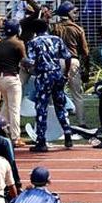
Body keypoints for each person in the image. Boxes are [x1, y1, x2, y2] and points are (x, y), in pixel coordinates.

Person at [22, 17, 75, 152]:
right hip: (57, 73)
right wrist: (66, 73)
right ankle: (67, 133)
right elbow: (68, 57)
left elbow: (31, 61)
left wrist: (24, 63)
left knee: (41, 107)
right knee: (60, 105)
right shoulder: (57, 39)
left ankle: (41, 140)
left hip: (43, 76)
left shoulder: (33, 42)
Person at [52, 2, 90, 127]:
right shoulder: (78, 29)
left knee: (57, 93)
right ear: (68, 14)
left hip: (58, 61)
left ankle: (59, 122)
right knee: (77, 94)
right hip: (73, 61)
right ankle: (82, 122)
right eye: (74, 12)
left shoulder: (55, 28)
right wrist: (86, 70)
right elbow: (85, 52)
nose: (76, 14)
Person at [0, 20, 27, 144]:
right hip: (12, 78)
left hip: (0, 79)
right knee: (14, 109)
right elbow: (24, 61)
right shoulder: (18, 43)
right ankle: (15, 137)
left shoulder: (0, 43)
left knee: (6, 105)